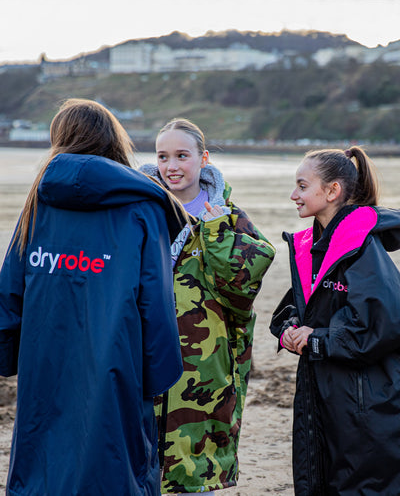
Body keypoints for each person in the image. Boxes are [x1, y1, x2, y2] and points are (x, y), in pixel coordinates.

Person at [0, 98, 186, 495]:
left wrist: (9, 356)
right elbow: (156, 302)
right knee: (115, 470)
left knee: (43, 473)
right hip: (117, 366)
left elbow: (9, 292)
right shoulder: (142, 206)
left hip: (44, 366)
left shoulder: (38, 203)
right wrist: (158, 376)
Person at [140, 118, 276, 494]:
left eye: (182, 155)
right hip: (145, 358)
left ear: (204, 159)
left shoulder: (228, 217)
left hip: (206, 369)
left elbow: (242, 288)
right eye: (163, 156)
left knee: (197, 472)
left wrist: (212, 231)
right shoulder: (142, 213)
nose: (171, 166)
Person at [270, 146, 400, 495]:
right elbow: (293, 310)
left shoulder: (361, 246)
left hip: (364, 402)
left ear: (332, 191)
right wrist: (290, 332)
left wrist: (316, 339)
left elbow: (381, 325)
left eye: (302, 185)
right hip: (324, 393)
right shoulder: (316, 246)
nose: (293, 195)